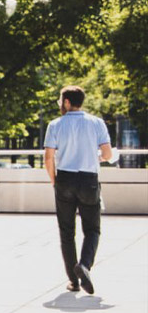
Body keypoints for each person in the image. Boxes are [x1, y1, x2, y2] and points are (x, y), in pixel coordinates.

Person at [44, 85, 112, 294]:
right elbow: (108, 154)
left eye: (60, 100)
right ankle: (84, 265)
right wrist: (96, 157)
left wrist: (55, 181)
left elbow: (48, 158)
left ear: (66, 102)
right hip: (89, 180)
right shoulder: (97, 123)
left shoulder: (55, 125)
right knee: (92, 229)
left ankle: (73, 281)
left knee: (67, 232)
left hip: (65, 179)